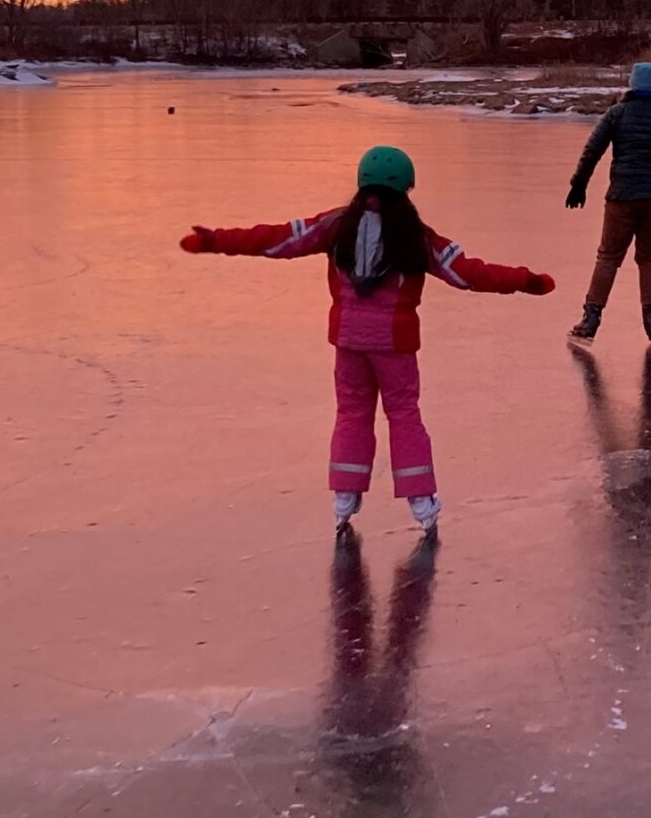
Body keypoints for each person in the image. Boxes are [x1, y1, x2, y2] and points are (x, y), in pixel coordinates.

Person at [180, 144, 553, 532]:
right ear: (406, 188)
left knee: (352, 413)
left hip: (349, 342)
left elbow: (276, 240)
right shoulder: (417, 237)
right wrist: (525, 281)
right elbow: (469, 274)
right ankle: (421, 502)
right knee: (404, 414)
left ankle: (345, 496)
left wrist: (214, 241)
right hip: (395, 346)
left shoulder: (336, 225)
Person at [565, 61, 651, 344]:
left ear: (631, 84)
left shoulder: (616, 114)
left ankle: (591, 319)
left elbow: (592, 151)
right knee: (650, 258)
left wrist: (579, 185)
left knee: (609, 257)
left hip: (622, 198)